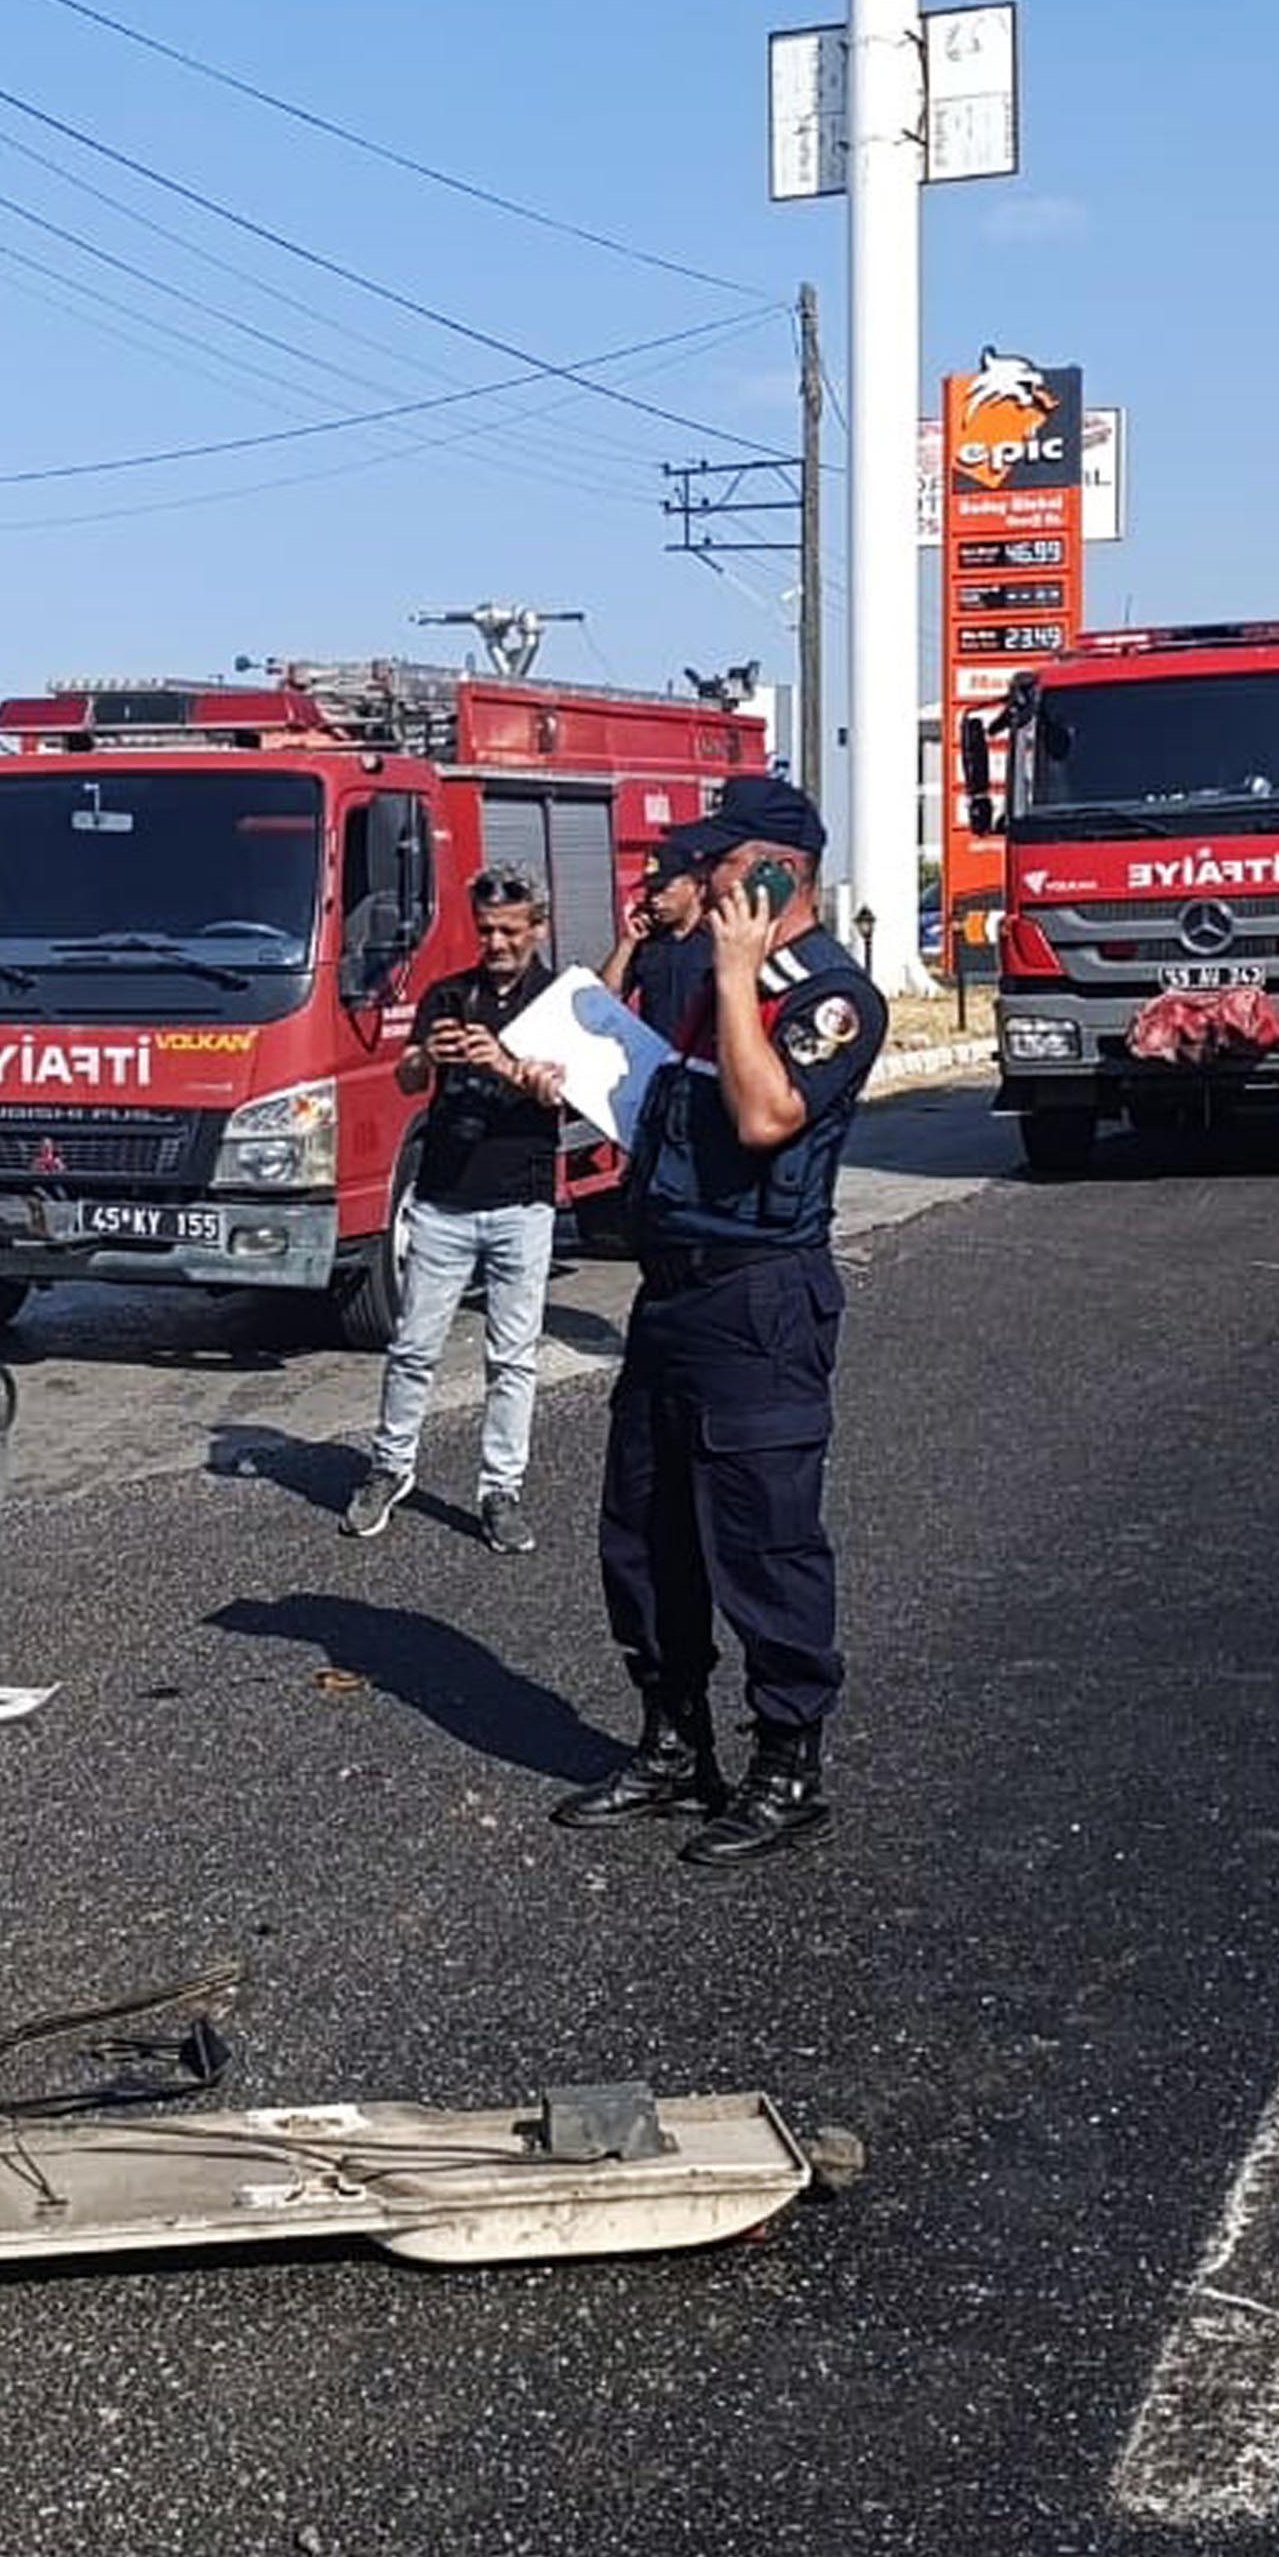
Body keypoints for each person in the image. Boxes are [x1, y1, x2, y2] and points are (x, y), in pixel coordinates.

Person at [552, 777, 887, 1869]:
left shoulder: (831, 997)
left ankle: (786, 1762)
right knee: (644, 1529)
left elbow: (763, 1113)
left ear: (781, 869)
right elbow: (669, 1110)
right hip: (674, 1295)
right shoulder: (704, 979)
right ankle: (674, 1740)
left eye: (723, 861)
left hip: (759, 1299)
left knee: (762, 1536)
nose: (699, 878)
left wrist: (739, 976)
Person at [340, 864, 566, 1556]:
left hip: (522, 1201)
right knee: (412, 1347)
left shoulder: (560, 999)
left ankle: (501, 1489)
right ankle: (390, 1466)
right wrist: (423, 1057)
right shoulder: (447, 994)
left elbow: (570, 1098)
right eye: (486, 929)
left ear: (537, 927)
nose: (496, 942)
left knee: (512, 1357)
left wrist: (505, 1065)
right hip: (442, 1200)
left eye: (510, 930)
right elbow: (409, 1078)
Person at [599, 843, 714, 1048]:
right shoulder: (647, 942)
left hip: (703, 1066)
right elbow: (605, 998)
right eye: (651, 891)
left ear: (695, 886)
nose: (654, 900)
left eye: (663, 889)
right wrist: (628, 942)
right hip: (657, 1064)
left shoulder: (717, 941)